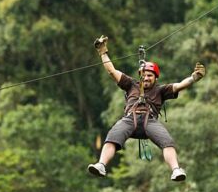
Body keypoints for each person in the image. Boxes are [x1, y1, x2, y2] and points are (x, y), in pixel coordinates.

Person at [87, 35, 206, 182]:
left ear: (155, 78)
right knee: (112, 137)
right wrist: (103, 52)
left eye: (150, 75)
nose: (147, 78)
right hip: (130, 119)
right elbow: (112, 71)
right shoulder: (131, 84)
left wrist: (194, 77)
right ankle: (101, 165)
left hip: (150, 121)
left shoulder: (161, 90)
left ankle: (176, 170)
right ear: (140, 75)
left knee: (167, 142)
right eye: (144, 75)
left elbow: (180, 85)